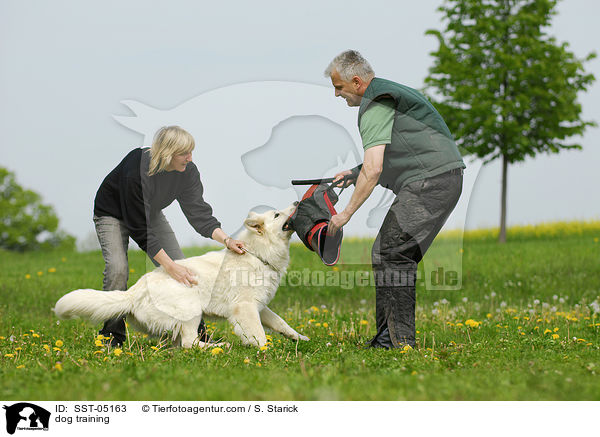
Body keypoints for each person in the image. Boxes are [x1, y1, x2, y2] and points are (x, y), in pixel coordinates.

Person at [325, 50, 465, 349]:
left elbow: (375, 167)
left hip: (430, 182)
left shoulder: (376, 102)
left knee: (392, 253)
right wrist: (353, 173)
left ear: (357, 82)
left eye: (339, 87)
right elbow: (396, 150)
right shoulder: (389, 93)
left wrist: (344, 214)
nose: (337, 94)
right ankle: (388, 338)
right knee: (391, 254)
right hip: (439, 178)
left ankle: (396, 342)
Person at [93, 125, 245, 346]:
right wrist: (169, 267)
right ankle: (111, 336)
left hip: (149, 212)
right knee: (118, 269)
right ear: (167, 153)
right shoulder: (135, 169)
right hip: (112, 214)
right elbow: (139, 228)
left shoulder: (188, 172)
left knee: (184, 268)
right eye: (184, 153)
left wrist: (227, 240)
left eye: (191, 152)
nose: (190, 158)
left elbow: (198, 212)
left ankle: (197, 334)